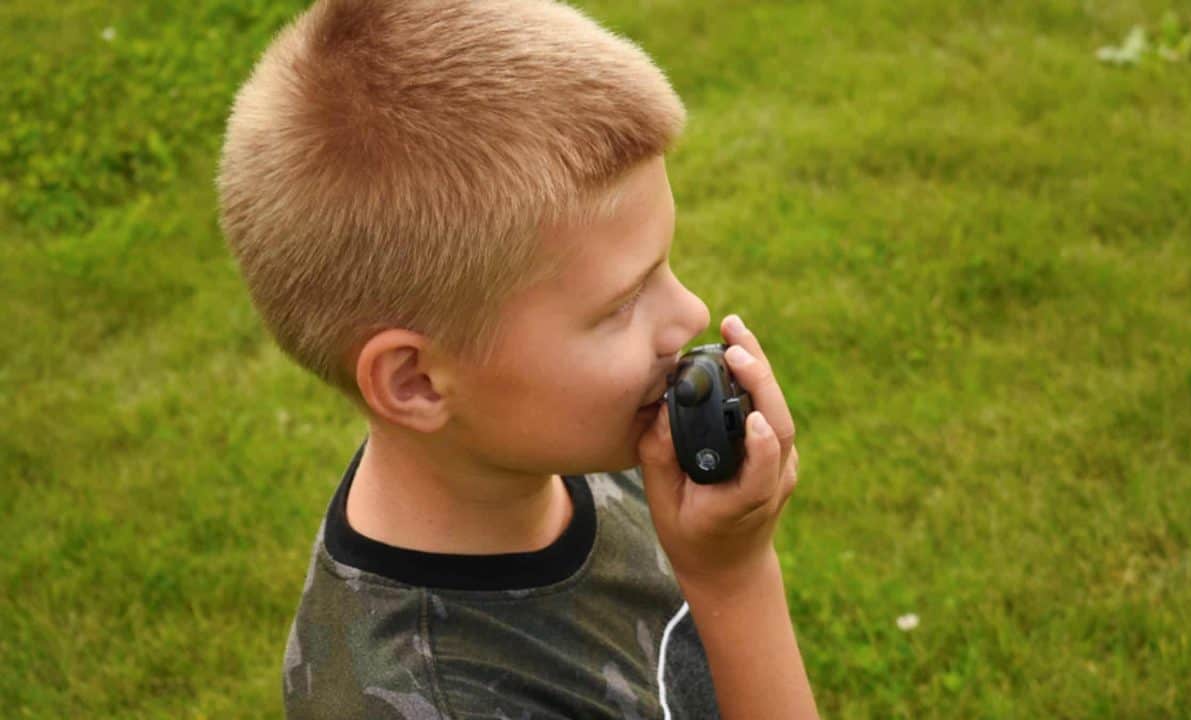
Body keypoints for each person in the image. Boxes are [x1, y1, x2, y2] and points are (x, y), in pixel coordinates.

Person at [216, 0, 817, 717]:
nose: (688, 315)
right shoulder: (428, 699)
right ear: (415, 381)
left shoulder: (554, 444)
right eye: (621, 304)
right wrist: (736, 581)